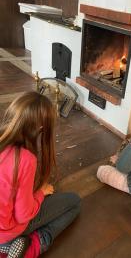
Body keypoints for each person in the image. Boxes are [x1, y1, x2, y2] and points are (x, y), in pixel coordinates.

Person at [0, 92, 80, 258]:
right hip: (5, 232)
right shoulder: (24, 159)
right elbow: (23, 215)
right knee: (75, 202)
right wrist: (40, 193)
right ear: (40, 128)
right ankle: (32, 246)